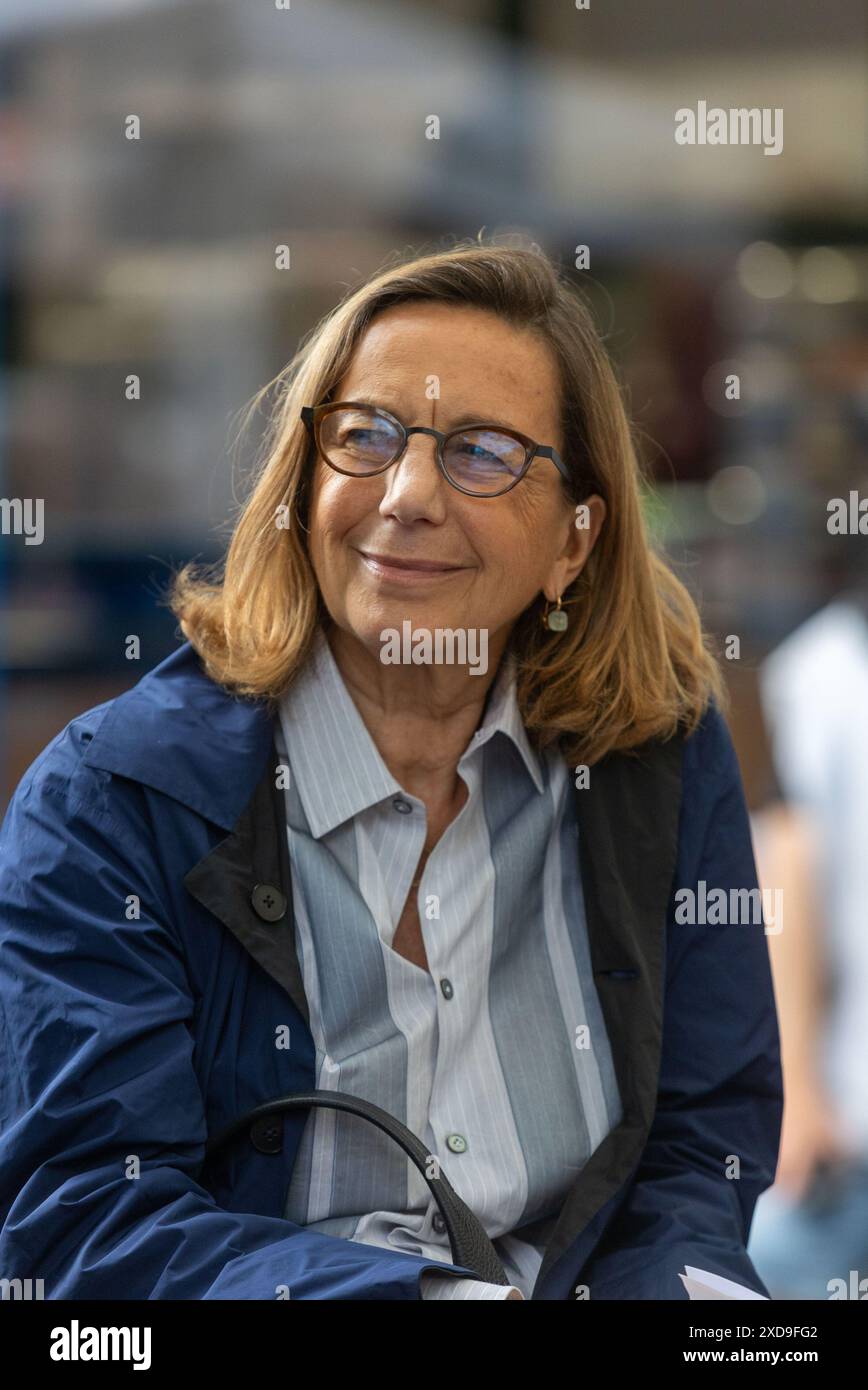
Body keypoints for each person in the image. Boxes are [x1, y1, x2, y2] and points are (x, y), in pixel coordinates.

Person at [0, 240, 782, 1300]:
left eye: (482, 452)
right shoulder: (112, 801)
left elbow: (696, 1152)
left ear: (573, 541)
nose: (407, 493)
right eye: (365, 436)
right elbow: (85, 1225)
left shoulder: (654, 761)